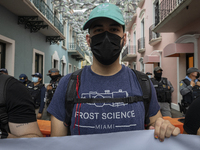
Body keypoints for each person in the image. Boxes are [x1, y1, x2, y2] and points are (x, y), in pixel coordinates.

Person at [47, 3, 180, 141]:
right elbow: (58, 142)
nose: (106, 36)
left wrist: (162, 125)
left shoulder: (143, 83)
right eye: (98, 30)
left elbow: (155, 122)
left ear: (124, 39)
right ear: (88, 40)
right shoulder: (67, 84)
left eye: (114, 29)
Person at [0, 73, 42, 138]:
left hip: (34, 107)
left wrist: (40, 111)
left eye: (36, 77)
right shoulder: (30, 85)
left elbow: (32, 141)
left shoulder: (12, 88)